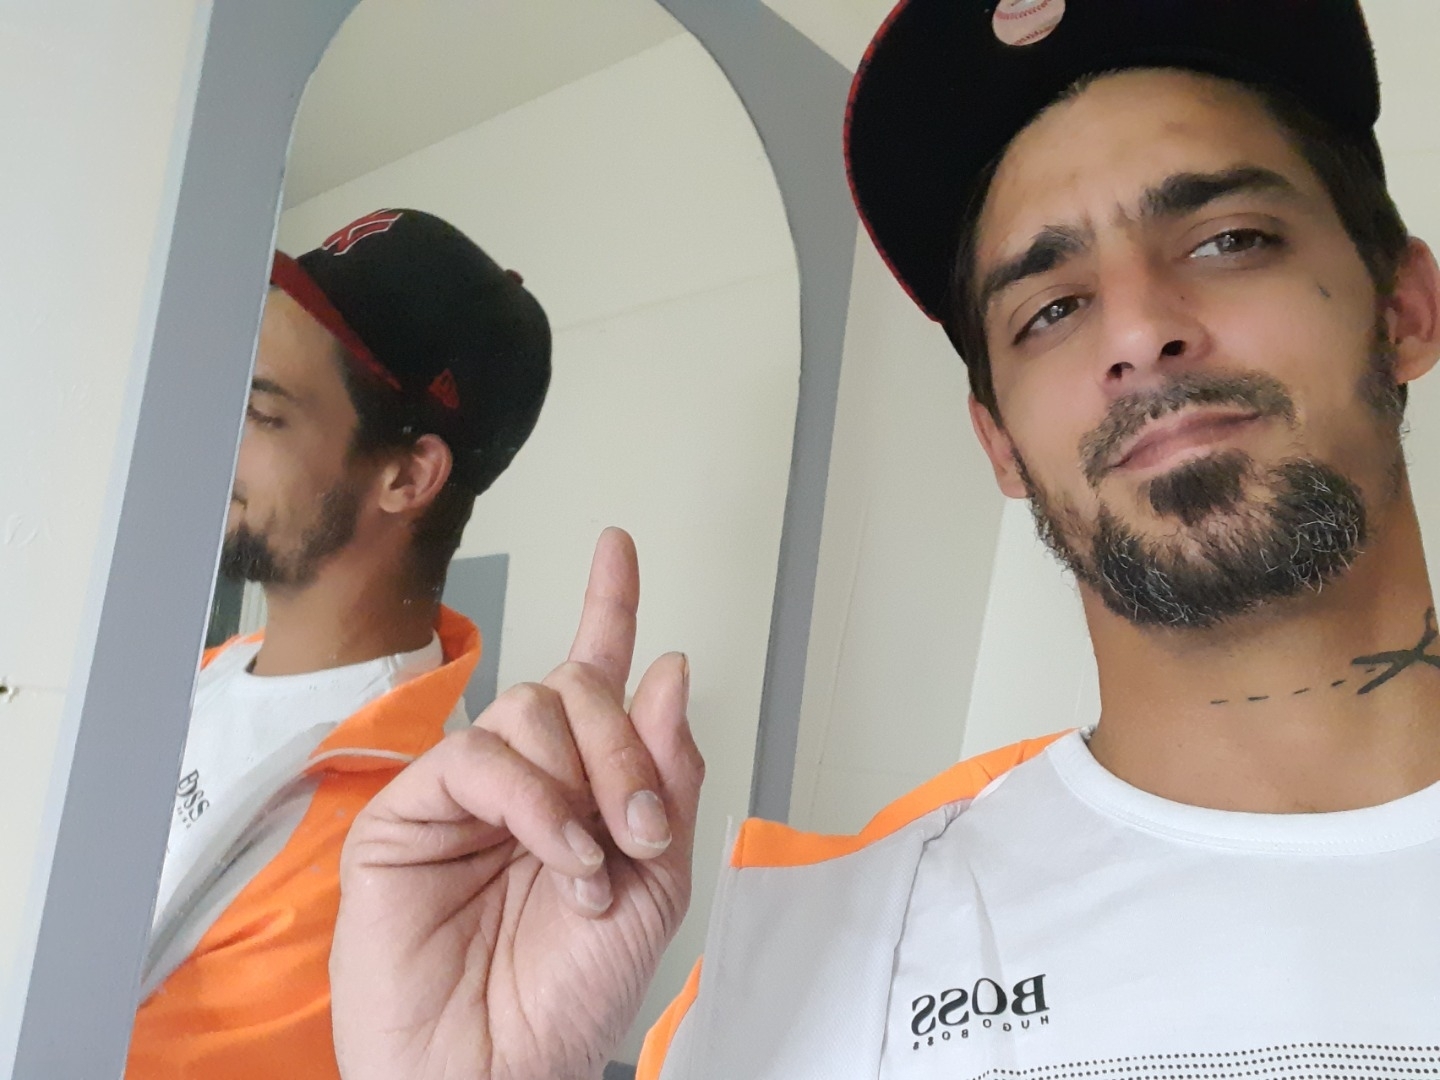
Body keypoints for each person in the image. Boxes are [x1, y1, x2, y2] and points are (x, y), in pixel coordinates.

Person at [330, 2, 1440, 1077]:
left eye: (1229, 239)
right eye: (1050, 309)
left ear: (1404, 309)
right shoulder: (817, 965)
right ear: (1000, 446)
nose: (1143, 331)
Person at [126, 208, 550, 1079]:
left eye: (262, 412)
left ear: (407, 476)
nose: (218, 437)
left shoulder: (403, 843)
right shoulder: (210, 676)